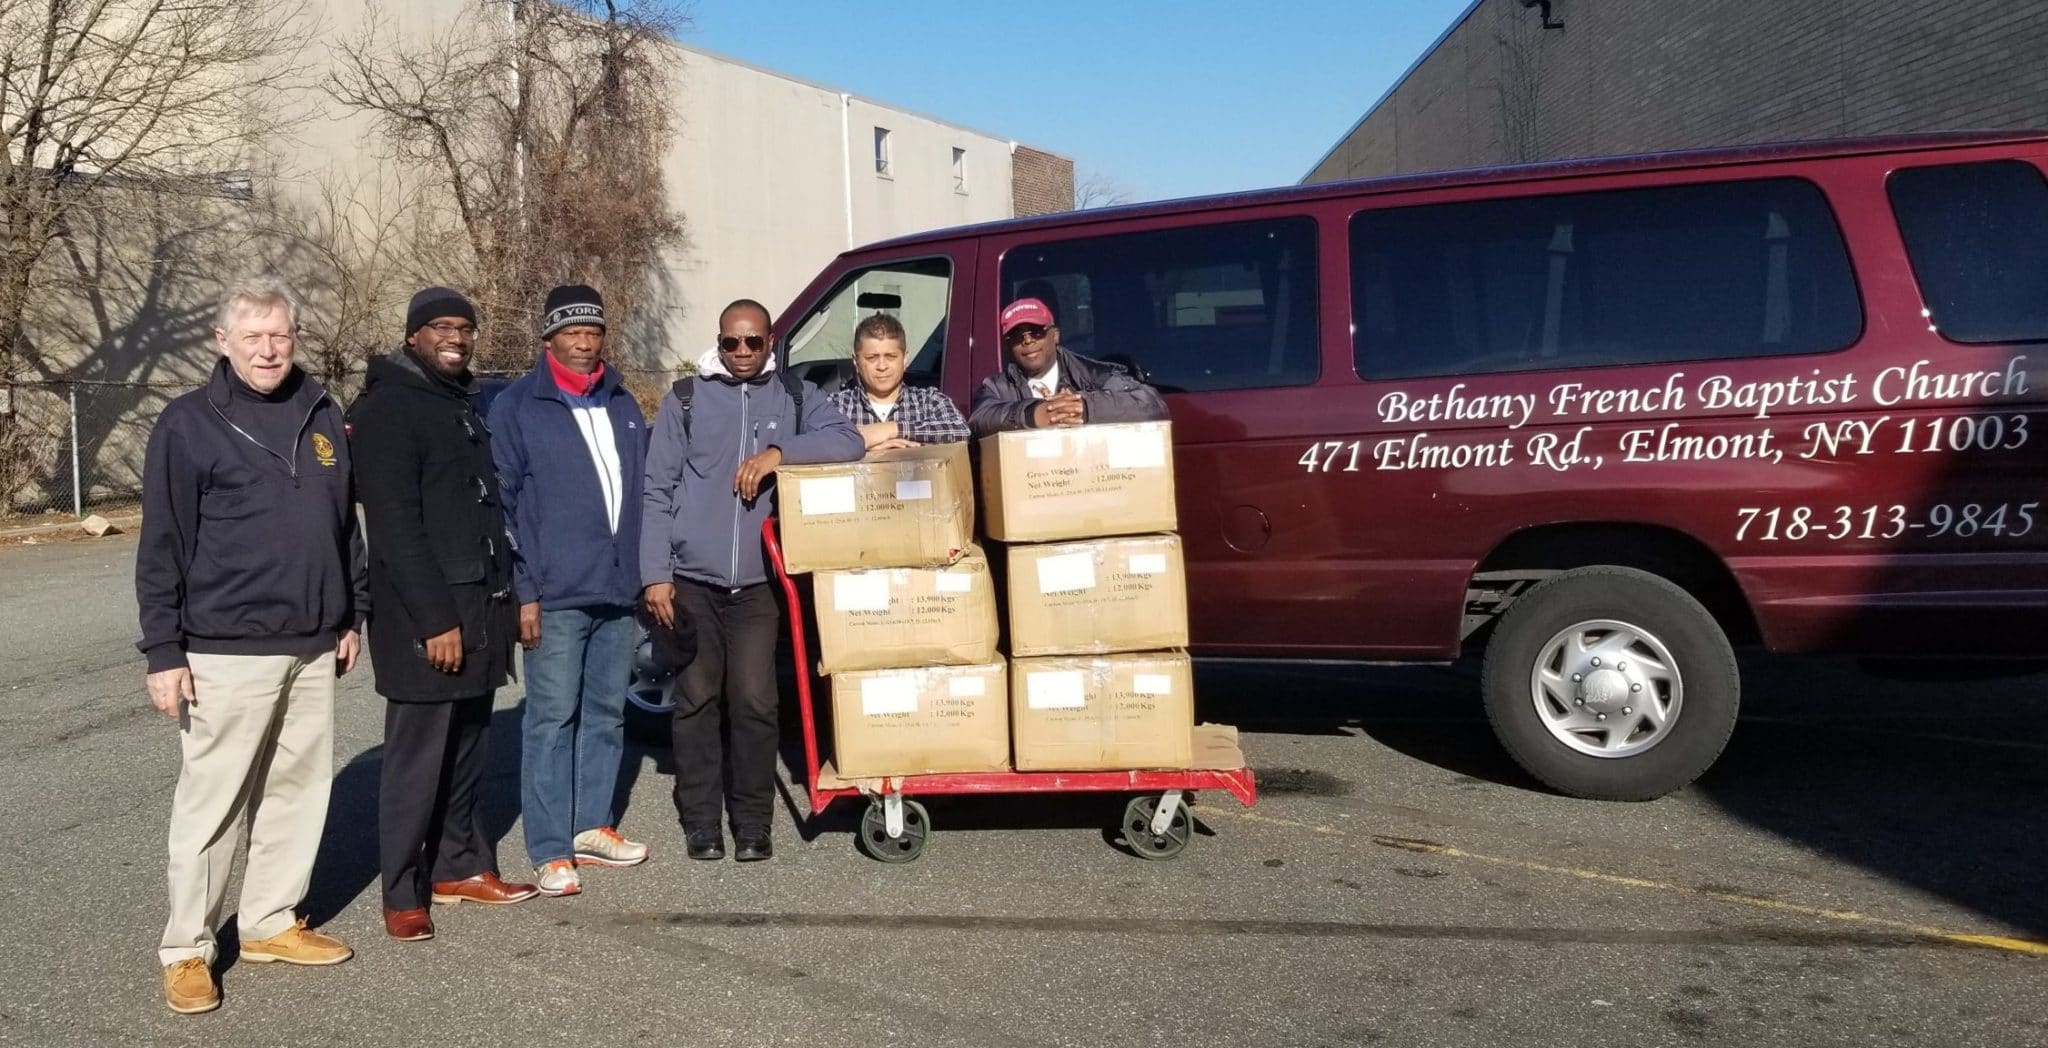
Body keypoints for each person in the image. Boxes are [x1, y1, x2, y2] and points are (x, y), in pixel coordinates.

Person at [137, 277, 364, 1015]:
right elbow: (162, 543)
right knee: (213, 805)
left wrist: (350, 612)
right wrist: (163, 650)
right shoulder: (189, 422)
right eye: (254, 336)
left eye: (280, 335)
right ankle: (187, 949)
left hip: (312, 643)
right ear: (222, 341)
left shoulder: (321, 410)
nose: (269, 349)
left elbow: (340, 524)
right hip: (225, 647)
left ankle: (269, 921)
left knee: (298, 792)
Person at [639, 299, 864, 861]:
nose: (741, 353)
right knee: (695, 700)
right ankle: (701, 823)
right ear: (719, 342)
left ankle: (753, 823)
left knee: (757, 701)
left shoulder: (792, 396)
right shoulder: (685, 400)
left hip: (760, 583)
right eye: (730, 343)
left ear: (770, 344)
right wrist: (655, 575)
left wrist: (779, 453)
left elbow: (848, 440)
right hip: (693, 580)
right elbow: (657, 491)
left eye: (753, 343)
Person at [349, 286, 538, 943]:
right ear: (412, 337)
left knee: (467, 751)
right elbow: (396, 530)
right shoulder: (389, 409)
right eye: (440, 328)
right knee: (416, 761)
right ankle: (403, 890)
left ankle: (458, 865)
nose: (456, 337)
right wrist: (435, 620)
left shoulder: (459, 400)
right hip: (426, 621)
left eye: (465, 327)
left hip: (479, 608)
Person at [489, 284, 651, 898]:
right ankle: (551, 848)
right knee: (551, 720)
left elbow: (641, 492)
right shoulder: (517, 407)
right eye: (572, 332)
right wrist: (522, 590)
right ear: (549, 338)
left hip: (616, 589)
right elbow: (502, 508)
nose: (584, 343)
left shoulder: (623, 403)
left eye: (593, 332)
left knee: (607, 715)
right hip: (552, 595)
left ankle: (591, 825)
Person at [966, 296, 1168, 438]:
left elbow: (1152, 405)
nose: (1027, 341)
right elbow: (978, 421)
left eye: (1036, 331)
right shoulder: (996, 386)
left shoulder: (1094, 374)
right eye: (1016, 336)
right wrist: (1033, 414)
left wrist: (1087, 407)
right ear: (1008, 346)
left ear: (1055, 335)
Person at [825, 312, 971, 449]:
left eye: (890, 357)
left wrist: (892, 429)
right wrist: (864, 448)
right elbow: (812, 443)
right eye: (872, 358)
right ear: (856, 362)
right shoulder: (836, 405)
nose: (882, 366)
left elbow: (961, 431)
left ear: (905, 359)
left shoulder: (929, 401)